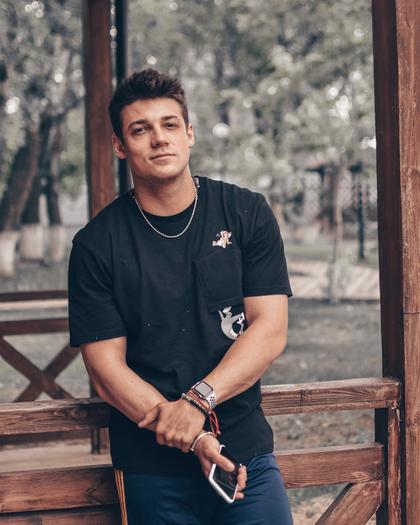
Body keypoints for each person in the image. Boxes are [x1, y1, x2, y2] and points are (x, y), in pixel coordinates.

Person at [68, 68, 294, 525]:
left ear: (189, 133)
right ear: (120, 146)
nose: (159, 138)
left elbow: (270, 330)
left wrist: (198, 402)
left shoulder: (246, 212)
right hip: (151, 466)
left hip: (244, 453)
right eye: (140, 130)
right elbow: (106, 371)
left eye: (170, 124)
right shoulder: (96, 245)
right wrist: (193, 436)